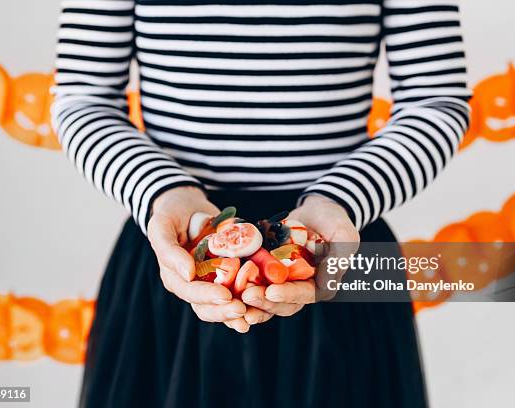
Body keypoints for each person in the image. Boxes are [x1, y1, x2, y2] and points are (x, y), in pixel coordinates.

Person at [52, 1, 471, 406]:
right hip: (177, 251)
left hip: (335, 247)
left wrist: (343, 199)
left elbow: (435, 103)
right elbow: (83, 100)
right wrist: (161, 190)